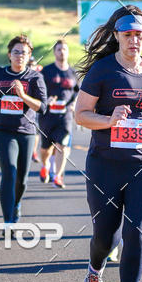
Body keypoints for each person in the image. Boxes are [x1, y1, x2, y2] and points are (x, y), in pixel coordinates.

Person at [75, 5, 142, 282]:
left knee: (136, 231)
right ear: (117, 35)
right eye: (127, 34)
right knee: (105, 235)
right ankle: (95, 266)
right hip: (105, 165)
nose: (133, 40)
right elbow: (81, 114)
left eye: (139, 35)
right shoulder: (102, 70)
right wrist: (109, 121)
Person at [0, 36, 46, 227]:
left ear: (30, 56)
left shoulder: (35, 77)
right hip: (2, 129)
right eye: (16, 52)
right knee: (9, 172)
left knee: (22, 179)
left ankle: (17, 203)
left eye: (25, 52)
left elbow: (41, 107)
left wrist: (22, 95)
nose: (20, 56)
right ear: (9, 54)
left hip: (26, 131)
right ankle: (7, 221)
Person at [39, 40, 80, 188]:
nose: (62, 52)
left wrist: (75, 103)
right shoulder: (46, 71)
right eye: (59, 49)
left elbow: (78, 92)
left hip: (65, 116)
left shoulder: (73, 73)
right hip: (48, 116)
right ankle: (45, 165)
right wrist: (46, 99)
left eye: (64, 49)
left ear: (68, 52)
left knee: (62, 146)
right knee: (46, 149)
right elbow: (38, 90)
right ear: (54, 52)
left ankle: (58, 176)